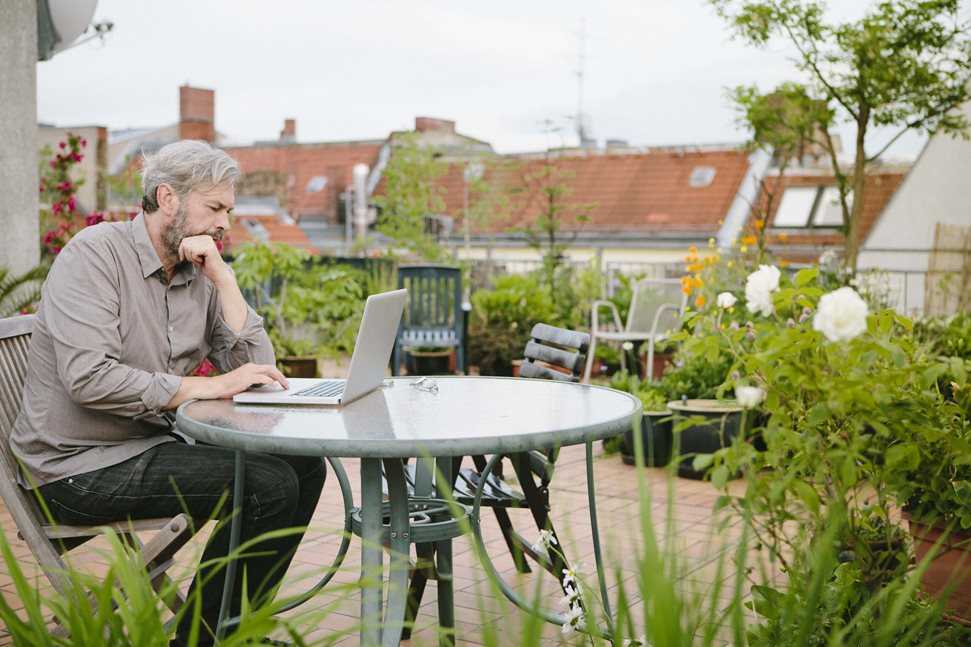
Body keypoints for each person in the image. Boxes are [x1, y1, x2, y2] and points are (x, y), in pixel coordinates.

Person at [10, 140, 325, 645]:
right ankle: (203, 639)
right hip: (75, 469)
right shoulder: (94, 256)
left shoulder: (199, 272)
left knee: (305, 466)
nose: (226, 223)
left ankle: (231, 630)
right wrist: (210, 384)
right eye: (216, 207)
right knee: (268, 485)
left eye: (230, 210)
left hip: (147, 447)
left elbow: (257, 370)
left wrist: (225, 280)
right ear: (169, 198)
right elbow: (89, 377)